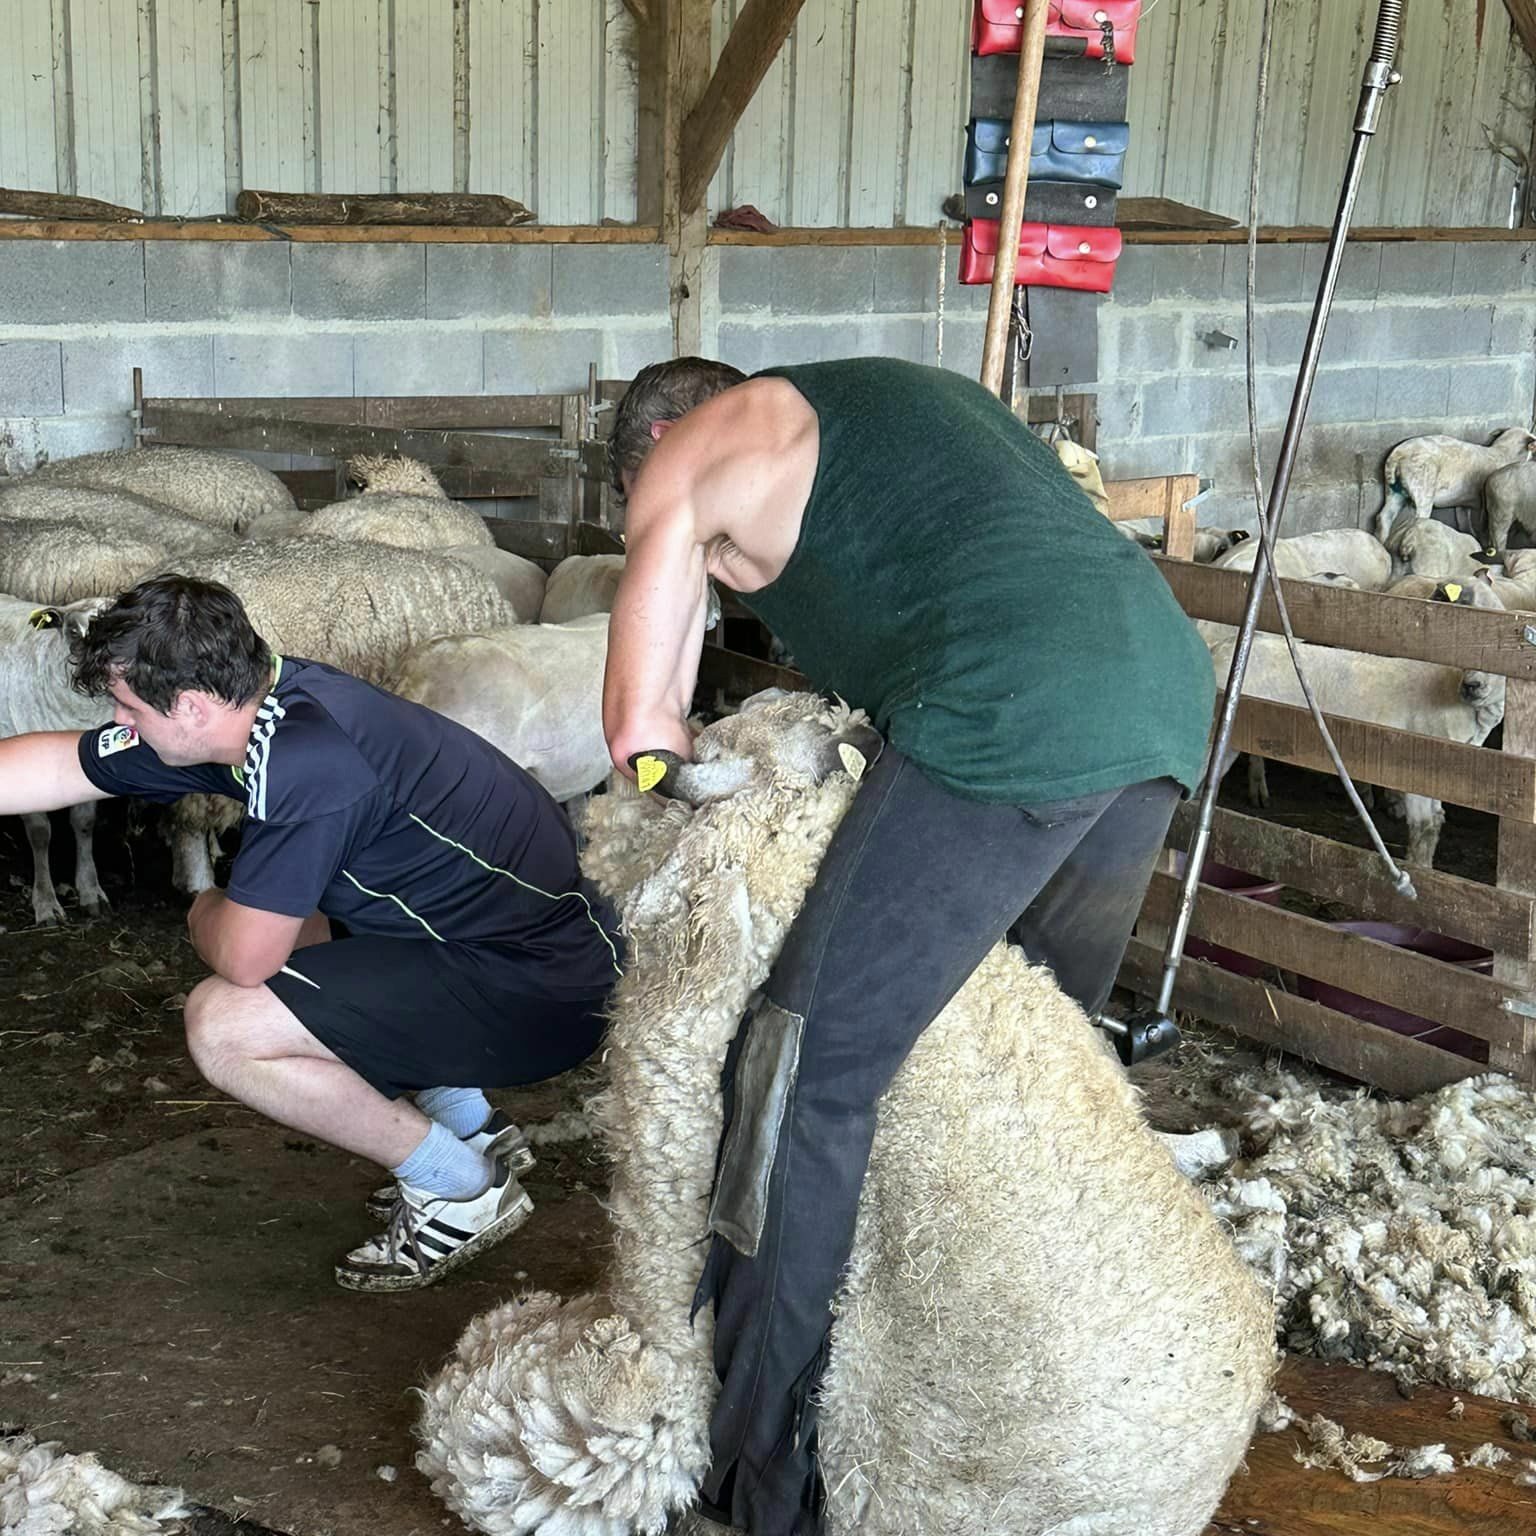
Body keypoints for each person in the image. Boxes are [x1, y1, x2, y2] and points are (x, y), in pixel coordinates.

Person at [601, 355, 1216, 1534]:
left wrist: (675, 794)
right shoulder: (899, 403)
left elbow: (641, 719)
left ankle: (756, 1488)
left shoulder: (694, 449)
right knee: (1008, 1053)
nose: (720, 568)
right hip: (1153, 698)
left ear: (666, 437)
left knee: (798, 1072)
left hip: (1007, 715)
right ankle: (1006, 1407)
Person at [0, 575, 623, 1293]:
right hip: (509, 942)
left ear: (192, 706)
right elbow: (63, 762)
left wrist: (203, 906)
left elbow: (244, 955)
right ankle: (471, 1124)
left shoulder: (310, 762)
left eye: (128, 707)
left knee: (226, 1023)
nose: (122, 722)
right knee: (312, 919)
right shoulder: (269, 703)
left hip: (547, 989)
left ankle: (457, 1187)